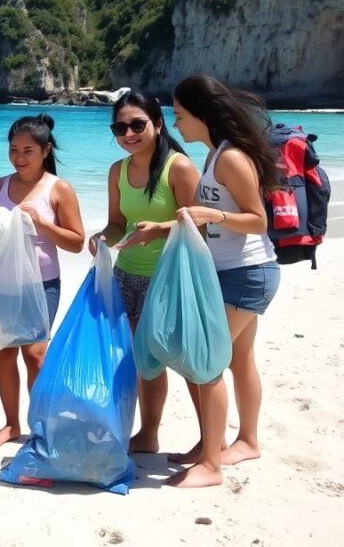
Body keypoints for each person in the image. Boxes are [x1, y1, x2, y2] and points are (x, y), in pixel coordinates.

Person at [165, 74, 281, 488]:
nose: (176, 124)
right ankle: (245, 441)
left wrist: (214, 216)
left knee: (204, 361)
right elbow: (206, 217)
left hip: (248, 274)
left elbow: (257, 220)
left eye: (179, 115)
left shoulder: (231, 158)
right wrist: (159, 227)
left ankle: (210, 464)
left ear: (201, 114)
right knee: (237, 359)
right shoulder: (215, 156)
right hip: (231, 273)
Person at [88, 92, 199, 453]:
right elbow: (118, 223)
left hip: (168, 278)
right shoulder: (117, 171)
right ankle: (148, 433)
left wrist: (160, 229)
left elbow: (201, 225)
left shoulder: (178, 167)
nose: (129, 133)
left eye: (138, 124)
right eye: (120, 127)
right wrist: (101, 238)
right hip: (125, 276)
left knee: (185, 360)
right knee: (144, 361)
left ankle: (208, 441)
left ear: (158, 123)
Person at [0, 114, 85, 450]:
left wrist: (42, 224)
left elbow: (77, 241)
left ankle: (40, 425)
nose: (19, 157)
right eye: (13, 150)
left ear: (45, 150)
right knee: (5, 354)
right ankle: (11, 424)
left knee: (36, 355)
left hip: (42, 284)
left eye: (27, 150)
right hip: (1, 284)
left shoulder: (58, 188)